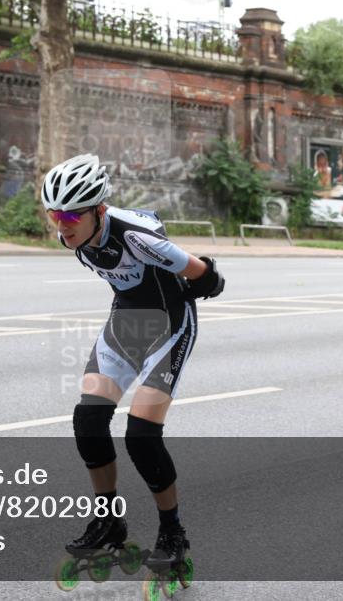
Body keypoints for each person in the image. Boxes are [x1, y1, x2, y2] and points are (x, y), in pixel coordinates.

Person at [42, 153, 225, 572]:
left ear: (98, 209)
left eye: (70, 216)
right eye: (55, 214)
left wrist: (208, 281)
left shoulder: (138, 238)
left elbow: (204, 275)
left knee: (141, 434)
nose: (61, 225)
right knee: (88, 421)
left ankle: (172, 531)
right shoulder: (72, 236)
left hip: (169, 325)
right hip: (126, 322)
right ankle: (109, 522)